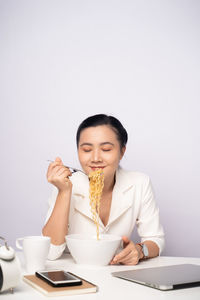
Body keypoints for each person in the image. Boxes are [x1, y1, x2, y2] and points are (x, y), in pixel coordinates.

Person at [42, 114, 165, 265]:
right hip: (75, 272)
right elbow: (50, 252)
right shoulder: (66, 183)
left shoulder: (139, 182)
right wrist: (63, 192)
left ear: (122, 151)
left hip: (118, 272)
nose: (95, 158)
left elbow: (156, 240)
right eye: (86, 149)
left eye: (106, 149)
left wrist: (139, 251)